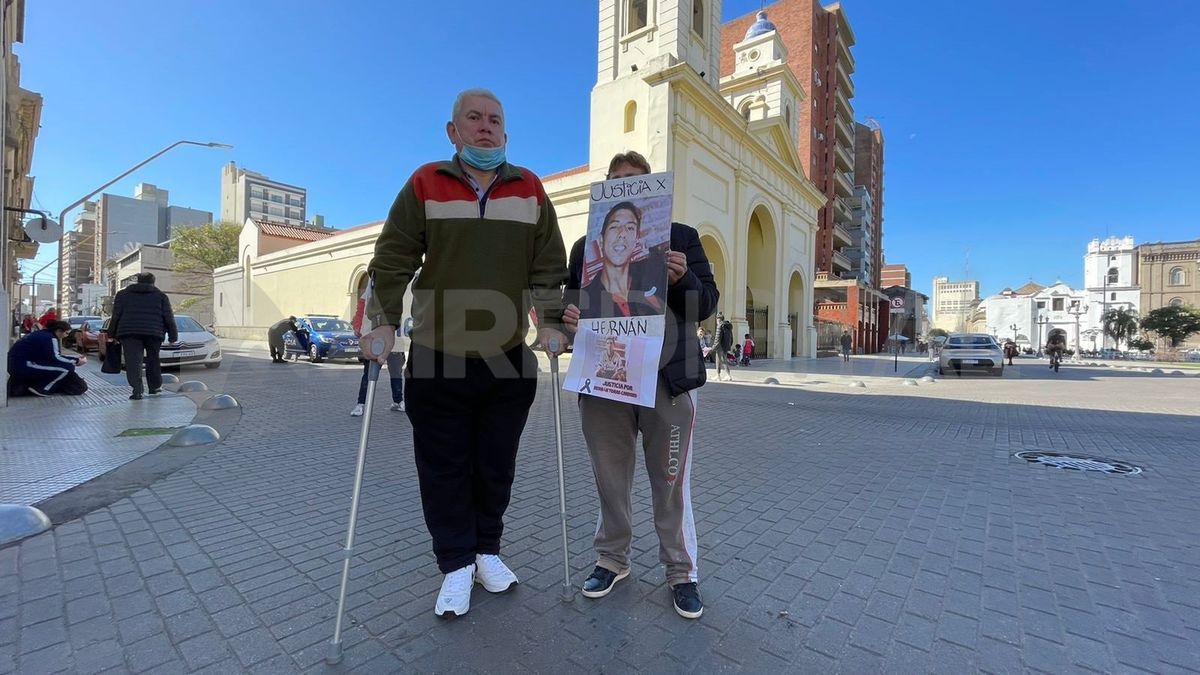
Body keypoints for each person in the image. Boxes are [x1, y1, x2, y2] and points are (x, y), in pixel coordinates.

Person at [360, 88, 568, 618]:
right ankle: (455, 563)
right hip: (436, 355)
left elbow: (548, 267)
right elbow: (393, 257)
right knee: (443, 466)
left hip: (507, 357)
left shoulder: (530, 188)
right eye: (472, 119)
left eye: (495, 120)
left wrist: (548, 324)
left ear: (506, 132)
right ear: (452, 132)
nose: (485, 127)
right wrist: (382, 322)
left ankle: (486, 551)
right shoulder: (426, 182)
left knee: (495, 466)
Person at [563, 150, 718, 620]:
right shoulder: (583, 248)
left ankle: (681, 572)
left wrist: (682, 277)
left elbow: (705, 305)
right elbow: (572, 311)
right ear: (606, 191)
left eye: (636, 181)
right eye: (617, 180)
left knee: (671, 483)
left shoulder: (681, 239)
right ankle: (612, 559)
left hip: (667, 383)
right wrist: (567, 322)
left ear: (651, 194)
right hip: (605, 381)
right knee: (610, 479)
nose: (625, 185)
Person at [578, 201, 667, 318]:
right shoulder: (586, 298)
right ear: (601, 240)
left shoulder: (654, 279)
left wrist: (682, 279)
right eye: (614, 226)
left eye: (630, 228)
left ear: (636, 240)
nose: (622, 234)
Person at [109, 272, 177, 400]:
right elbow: (168, 317)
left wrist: (111, 334)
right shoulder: (161, 296)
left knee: (133, 362)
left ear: (138, 281)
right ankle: (154, 387)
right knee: (153, 360)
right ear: (153, 282)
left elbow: (116, 315)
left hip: (129, 332)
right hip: (154, 332)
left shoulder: (122, 295)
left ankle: (137, 390)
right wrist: (173, 336)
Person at [350, 291, 406, 416]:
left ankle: (398, 401)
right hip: (379, 340)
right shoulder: (371, 289)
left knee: (395, 373)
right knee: (371, 373)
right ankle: (362, 404)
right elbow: (361, 310)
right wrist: (358, 326)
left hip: (393, 341)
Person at [7, 320, 88, 397]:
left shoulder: (43, 334)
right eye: (66, 333)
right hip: (23, 365)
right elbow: (56, 357)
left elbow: (50, 356)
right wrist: (77, 361)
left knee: (66, 366)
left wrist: (73, 359)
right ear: (59, 331)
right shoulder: (51, 338)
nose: (66, 336)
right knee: (66, 369)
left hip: (16, 364)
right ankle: (42, 389)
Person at [713, 313, 733, 382]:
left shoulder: (720, 325)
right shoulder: (728, 326)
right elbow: (731, 337)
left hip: (720, 346)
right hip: (726, 346)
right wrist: (729, 345)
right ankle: (719, 375)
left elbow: (717, 338)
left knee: (721, 360)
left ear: (718, 319)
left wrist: (713, 347)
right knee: (721, 360)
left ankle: (724, 376)